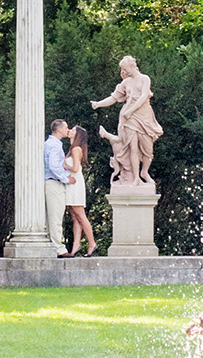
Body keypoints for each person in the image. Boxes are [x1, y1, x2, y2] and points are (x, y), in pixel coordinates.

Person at [91, 55, 163, 185]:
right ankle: (136, 178)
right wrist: (98, 104)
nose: (124, 72)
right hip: (128, 119)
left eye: (125, 68)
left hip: (144, 115)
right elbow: (113, 98)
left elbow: (143, 96)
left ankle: (144, 172)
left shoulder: (144, 79)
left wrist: (130, 111)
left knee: (148, 150)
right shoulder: (126, 83)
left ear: (131, 66)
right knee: (132, 148)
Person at [65, 127, 97, 256]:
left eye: (72, 129)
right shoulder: (73, 148)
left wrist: (64, 165)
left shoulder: (76, 149)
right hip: (73, 183)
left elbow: (75, 168)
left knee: (80, 215)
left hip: (75, 183)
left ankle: (92, 243)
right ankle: (76, 245)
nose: (70, 130)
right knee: (75, 216)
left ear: (77, 134)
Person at [43, 116, 71, 255]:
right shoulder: (53, 145)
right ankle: (58, 248)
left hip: (51, 183)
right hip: (54, 183)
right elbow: (54, 166)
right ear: (59, 129)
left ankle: (53, 245)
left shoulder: (50, 144)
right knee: (55, 216)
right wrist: (66, 178)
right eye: (66, 127)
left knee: (52, 217)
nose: (68, 130)